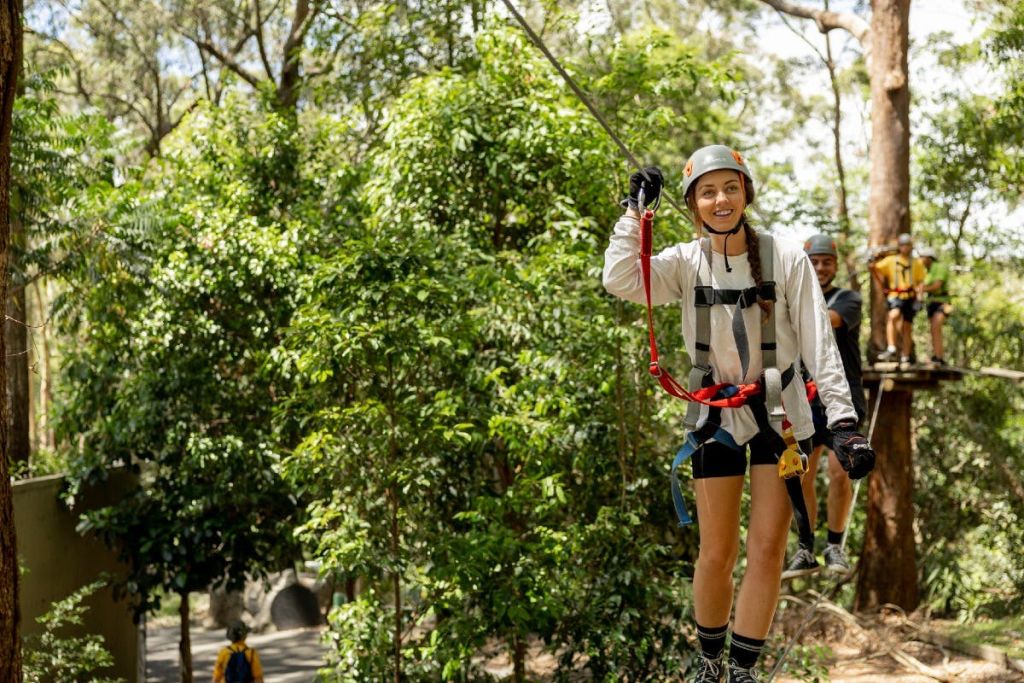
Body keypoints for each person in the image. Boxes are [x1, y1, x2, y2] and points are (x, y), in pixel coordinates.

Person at [603, 145, 874, 683]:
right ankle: (709, 664)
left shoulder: (786, 258)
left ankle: (743, 669)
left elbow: (821, 343)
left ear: (745, 193)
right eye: (707, 191)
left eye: (730, 187)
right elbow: (620, 279)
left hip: (781, 415)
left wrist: (843, 423)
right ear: (694, 203)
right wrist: (634, 213)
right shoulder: (685, 261)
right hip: (717, 416)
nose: (720, 199)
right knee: (716, 550)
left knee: (768, 547)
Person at [782, 235, 868, 580]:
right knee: (802, 471)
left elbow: (825, 321)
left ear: (834, 266)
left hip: (840, 397)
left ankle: (834, 545)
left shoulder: (847, 300)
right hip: (803, 396)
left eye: (826, 262)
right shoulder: (794, 297)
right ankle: (806, 546)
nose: (820, 268)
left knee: (838, 471)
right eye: (813, 262)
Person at [869, 234, 926, 366]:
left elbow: (920, 282)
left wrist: (920, 299)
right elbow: (873, 266)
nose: (906, 248)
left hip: (910, 296)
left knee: (907, 326)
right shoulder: (890, 260)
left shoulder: (917, 263)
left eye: (908, 245)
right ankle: (891, 347)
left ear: (911, 247)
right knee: (893, 315)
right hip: (895, 295)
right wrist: (873, 257)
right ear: (899, 247)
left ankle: (905, 355)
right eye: (903, 245)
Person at [920, 247, 951, 365]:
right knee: (933, 330)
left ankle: (939, 357)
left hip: (943, 302)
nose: (921, 260)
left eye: (923, 257)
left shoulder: (939, 267)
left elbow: (937, 285)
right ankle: (936, 356)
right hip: (931, 303)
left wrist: (922, 289)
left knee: (936, 327)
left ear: (929, 258)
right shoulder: (927, 271)